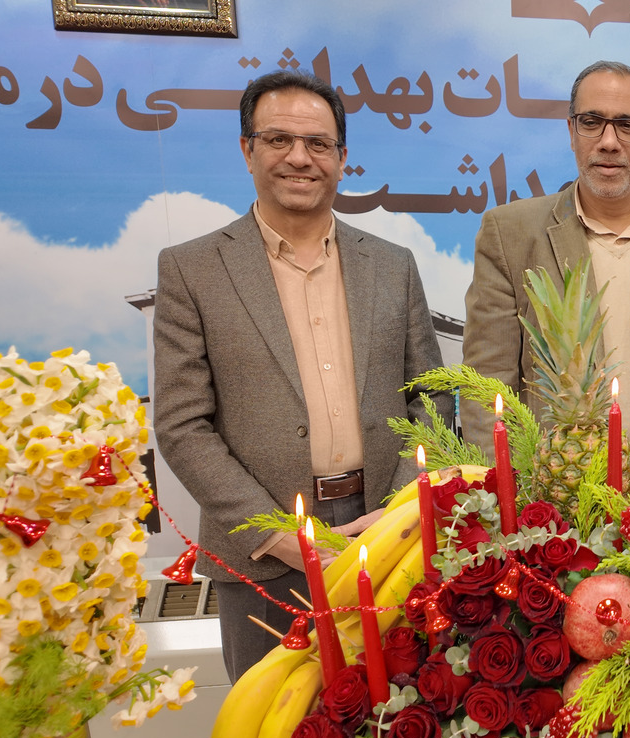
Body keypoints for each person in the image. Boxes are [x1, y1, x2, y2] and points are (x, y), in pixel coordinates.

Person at [153, 70, 450, 682]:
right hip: (263, 556)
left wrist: (398, 510)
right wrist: (278, 535)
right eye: (278, 139)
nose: (299, 157)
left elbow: (431, 397)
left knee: (399, 715)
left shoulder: (392, 265)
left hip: (385, 535)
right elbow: (182, 425)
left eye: (318, 143)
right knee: (274, 730)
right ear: (247, 150)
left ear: (341, 158)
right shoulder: (193, 269)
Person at [462, 60, 630, 452]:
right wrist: (501, 488)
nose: (609, 141)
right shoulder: (510, 235)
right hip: (550, 484)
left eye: (627, 125)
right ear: (571, 133)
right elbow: (487, 392)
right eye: (591, 122)